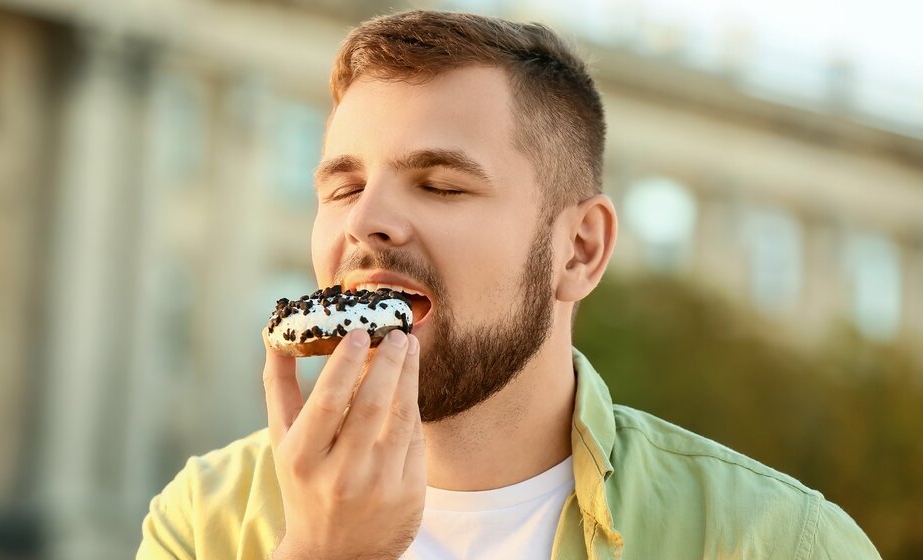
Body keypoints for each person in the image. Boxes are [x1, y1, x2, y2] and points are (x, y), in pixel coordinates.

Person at [137, 10, 880, 559]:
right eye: (343, 186)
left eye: (441, 185)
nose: (365, 222)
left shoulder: (779, 542)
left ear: (580, 250)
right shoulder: (204, 521)